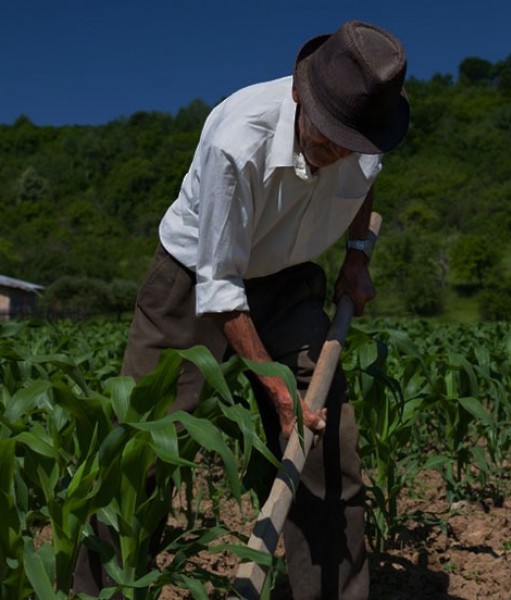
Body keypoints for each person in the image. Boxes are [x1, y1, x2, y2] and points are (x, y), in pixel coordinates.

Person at [73, 20, 409, 599]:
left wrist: (356, 256)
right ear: (301, 96)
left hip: (290, 278)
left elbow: (363, 184)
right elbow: (221, 286)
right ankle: (98, 591)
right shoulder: (239, 137)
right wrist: (277, 392)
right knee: (141, 452)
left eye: (350, 144)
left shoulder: (366, 134)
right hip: (194, 280)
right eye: (327, 138)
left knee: (327, 445)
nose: (336, 156)